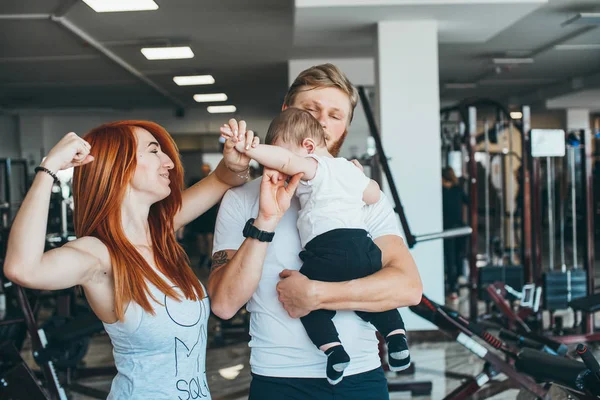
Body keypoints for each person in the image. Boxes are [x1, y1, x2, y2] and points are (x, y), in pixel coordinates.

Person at [209, 63, 423, 399]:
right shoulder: (240, 200)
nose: (322, 121)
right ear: (287, 113)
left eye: (335, 115)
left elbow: (408, 288)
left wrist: (315, 295)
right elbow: (223, 305)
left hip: (362, 377)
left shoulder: (361, 194)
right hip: (279, 379)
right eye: (311, 109)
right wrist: (266, 221)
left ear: (344, 130)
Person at [3, 120, 258, 399]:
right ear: (119, 167)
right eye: (153, 151)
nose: (169, 163)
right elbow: (22, 269)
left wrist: (237, 159)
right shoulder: (98, 255)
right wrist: (48, 169)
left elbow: (225, 177)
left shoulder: (158, 234)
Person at [442, 166, 467, 300]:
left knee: (451, 258)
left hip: (449, 229)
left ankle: (453, 287)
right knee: (457, 257)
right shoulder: (458, 189)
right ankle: (455, 284)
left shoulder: (442, 192)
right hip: (458, 227)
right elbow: (468, 201)